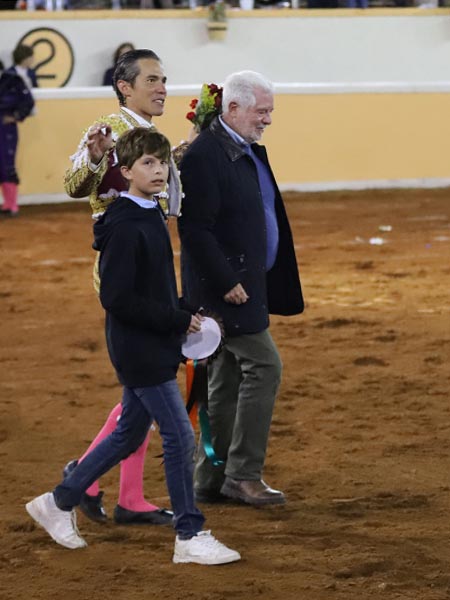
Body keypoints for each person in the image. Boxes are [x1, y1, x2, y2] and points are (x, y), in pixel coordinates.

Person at [26, 127, 241, 566]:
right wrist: (176, 319)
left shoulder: (151, 214)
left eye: (162, 162)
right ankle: (189, 532)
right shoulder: (126, 225)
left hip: (151, 341)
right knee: (181, 435)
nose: (158, 170)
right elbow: (116, 298)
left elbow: (155, 287)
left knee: (127, 434)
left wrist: (183, 312)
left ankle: (59, 501)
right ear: (124, 171)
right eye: (146, 163)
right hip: (138, 349)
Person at [62, 48, 181, 526]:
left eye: (164, 79)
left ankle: (121, 492)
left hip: (148, 259)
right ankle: (90, 482)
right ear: (124, 86)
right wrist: (92, 157)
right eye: (152, 79)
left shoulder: (153, 136)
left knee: (143, 388)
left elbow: (168, 201)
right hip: (125, 267)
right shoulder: (106, 128)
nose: (162, 87)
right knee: (148, 383)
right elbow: (73, 184)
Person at [178, 70, 304, 506]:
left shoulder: (237, 149)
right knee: (264, 366)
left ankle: (209, 480)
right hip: (225, 289)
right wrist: (227, 280)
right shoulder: (205, 156)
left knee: (225, 378)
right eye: (261, 111)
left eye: (270, 111)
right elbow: (194, 230)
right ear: (231, 108)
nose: (267, 119)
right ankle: (243, 474)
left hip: (244, 282)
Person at [0, 47, 35, 217]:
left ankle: (11, 205)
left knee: (6, 164)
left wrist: (15, 116)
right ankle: (8, 203)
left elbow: (28, 101)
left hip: (5, 128)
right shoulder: (11, 79)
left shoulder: (11, 80)